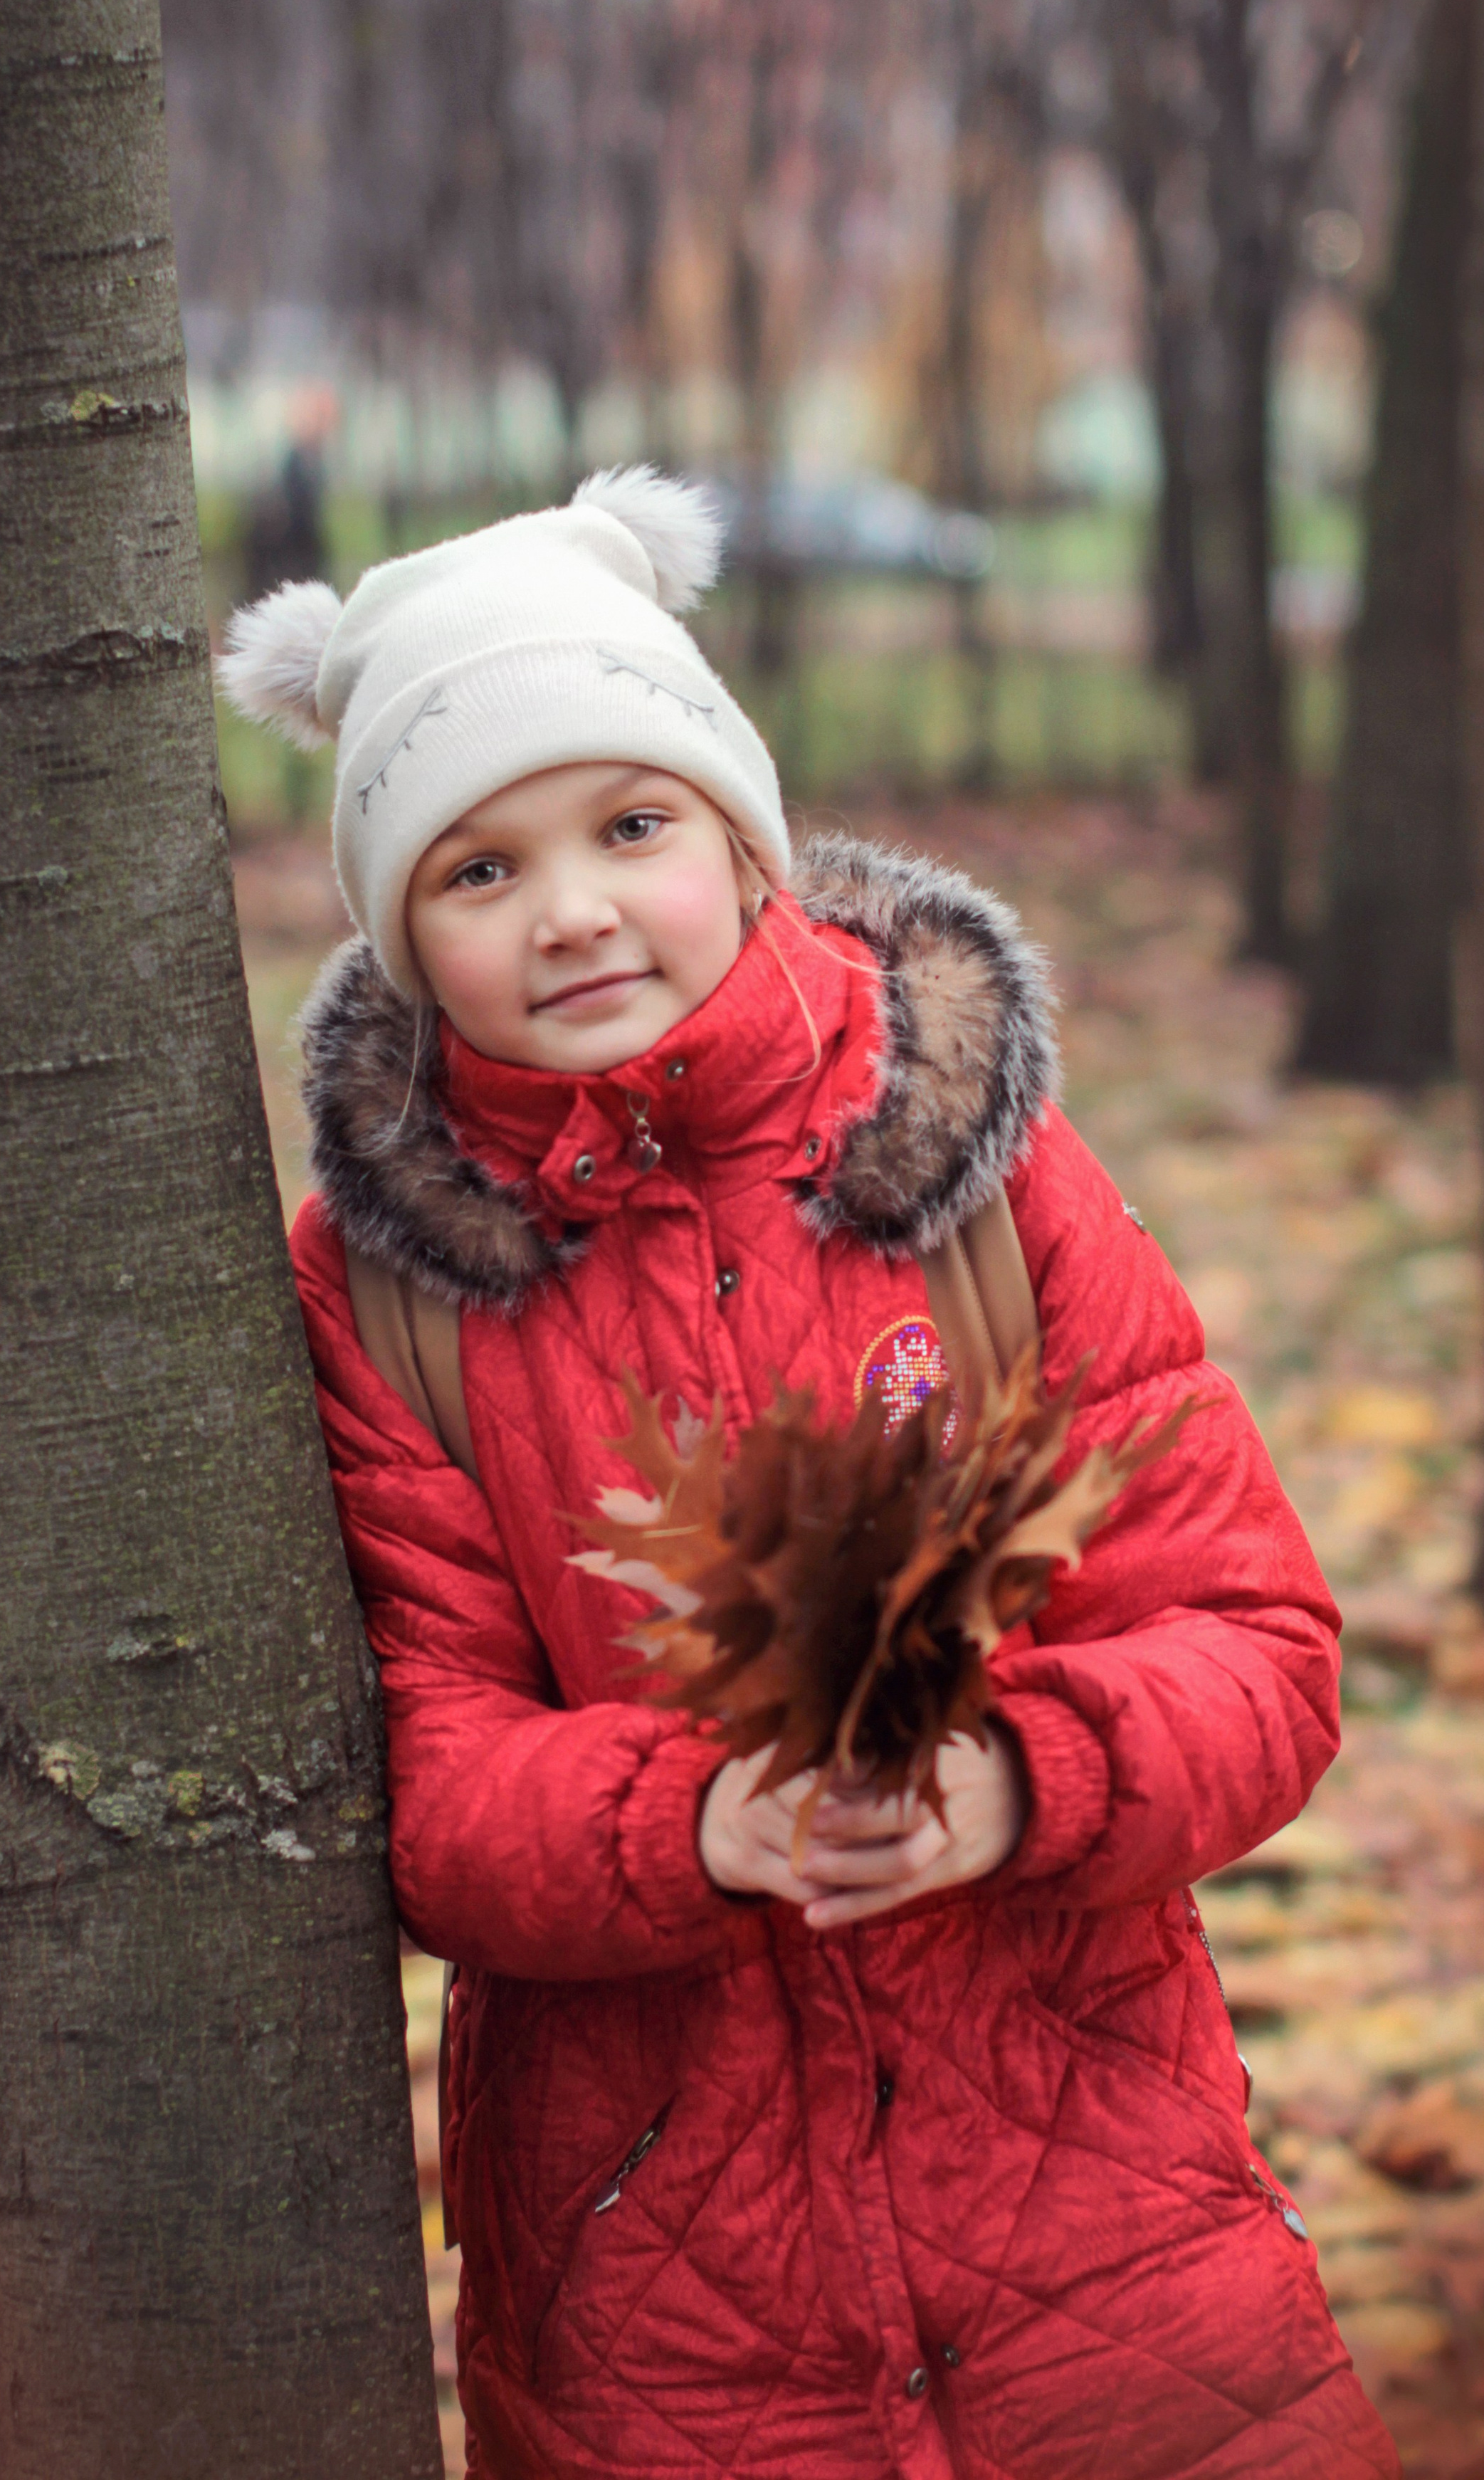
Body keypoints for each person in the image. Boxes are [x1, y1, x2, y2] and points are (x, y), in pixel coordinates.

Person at [219, 468, 1398, 2480]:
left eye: (633, 825)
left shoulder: (968, 1169)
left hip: (1101, 2218)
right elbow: (429, 1779)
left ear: (742, 840)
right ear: (402, 930)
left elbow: (1256, 1640)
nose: (573, 908)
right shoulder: (391, 1291)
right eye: (479, 868)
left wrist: (1017, 1777)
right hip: (667, 2299)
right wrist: (693, 1823)